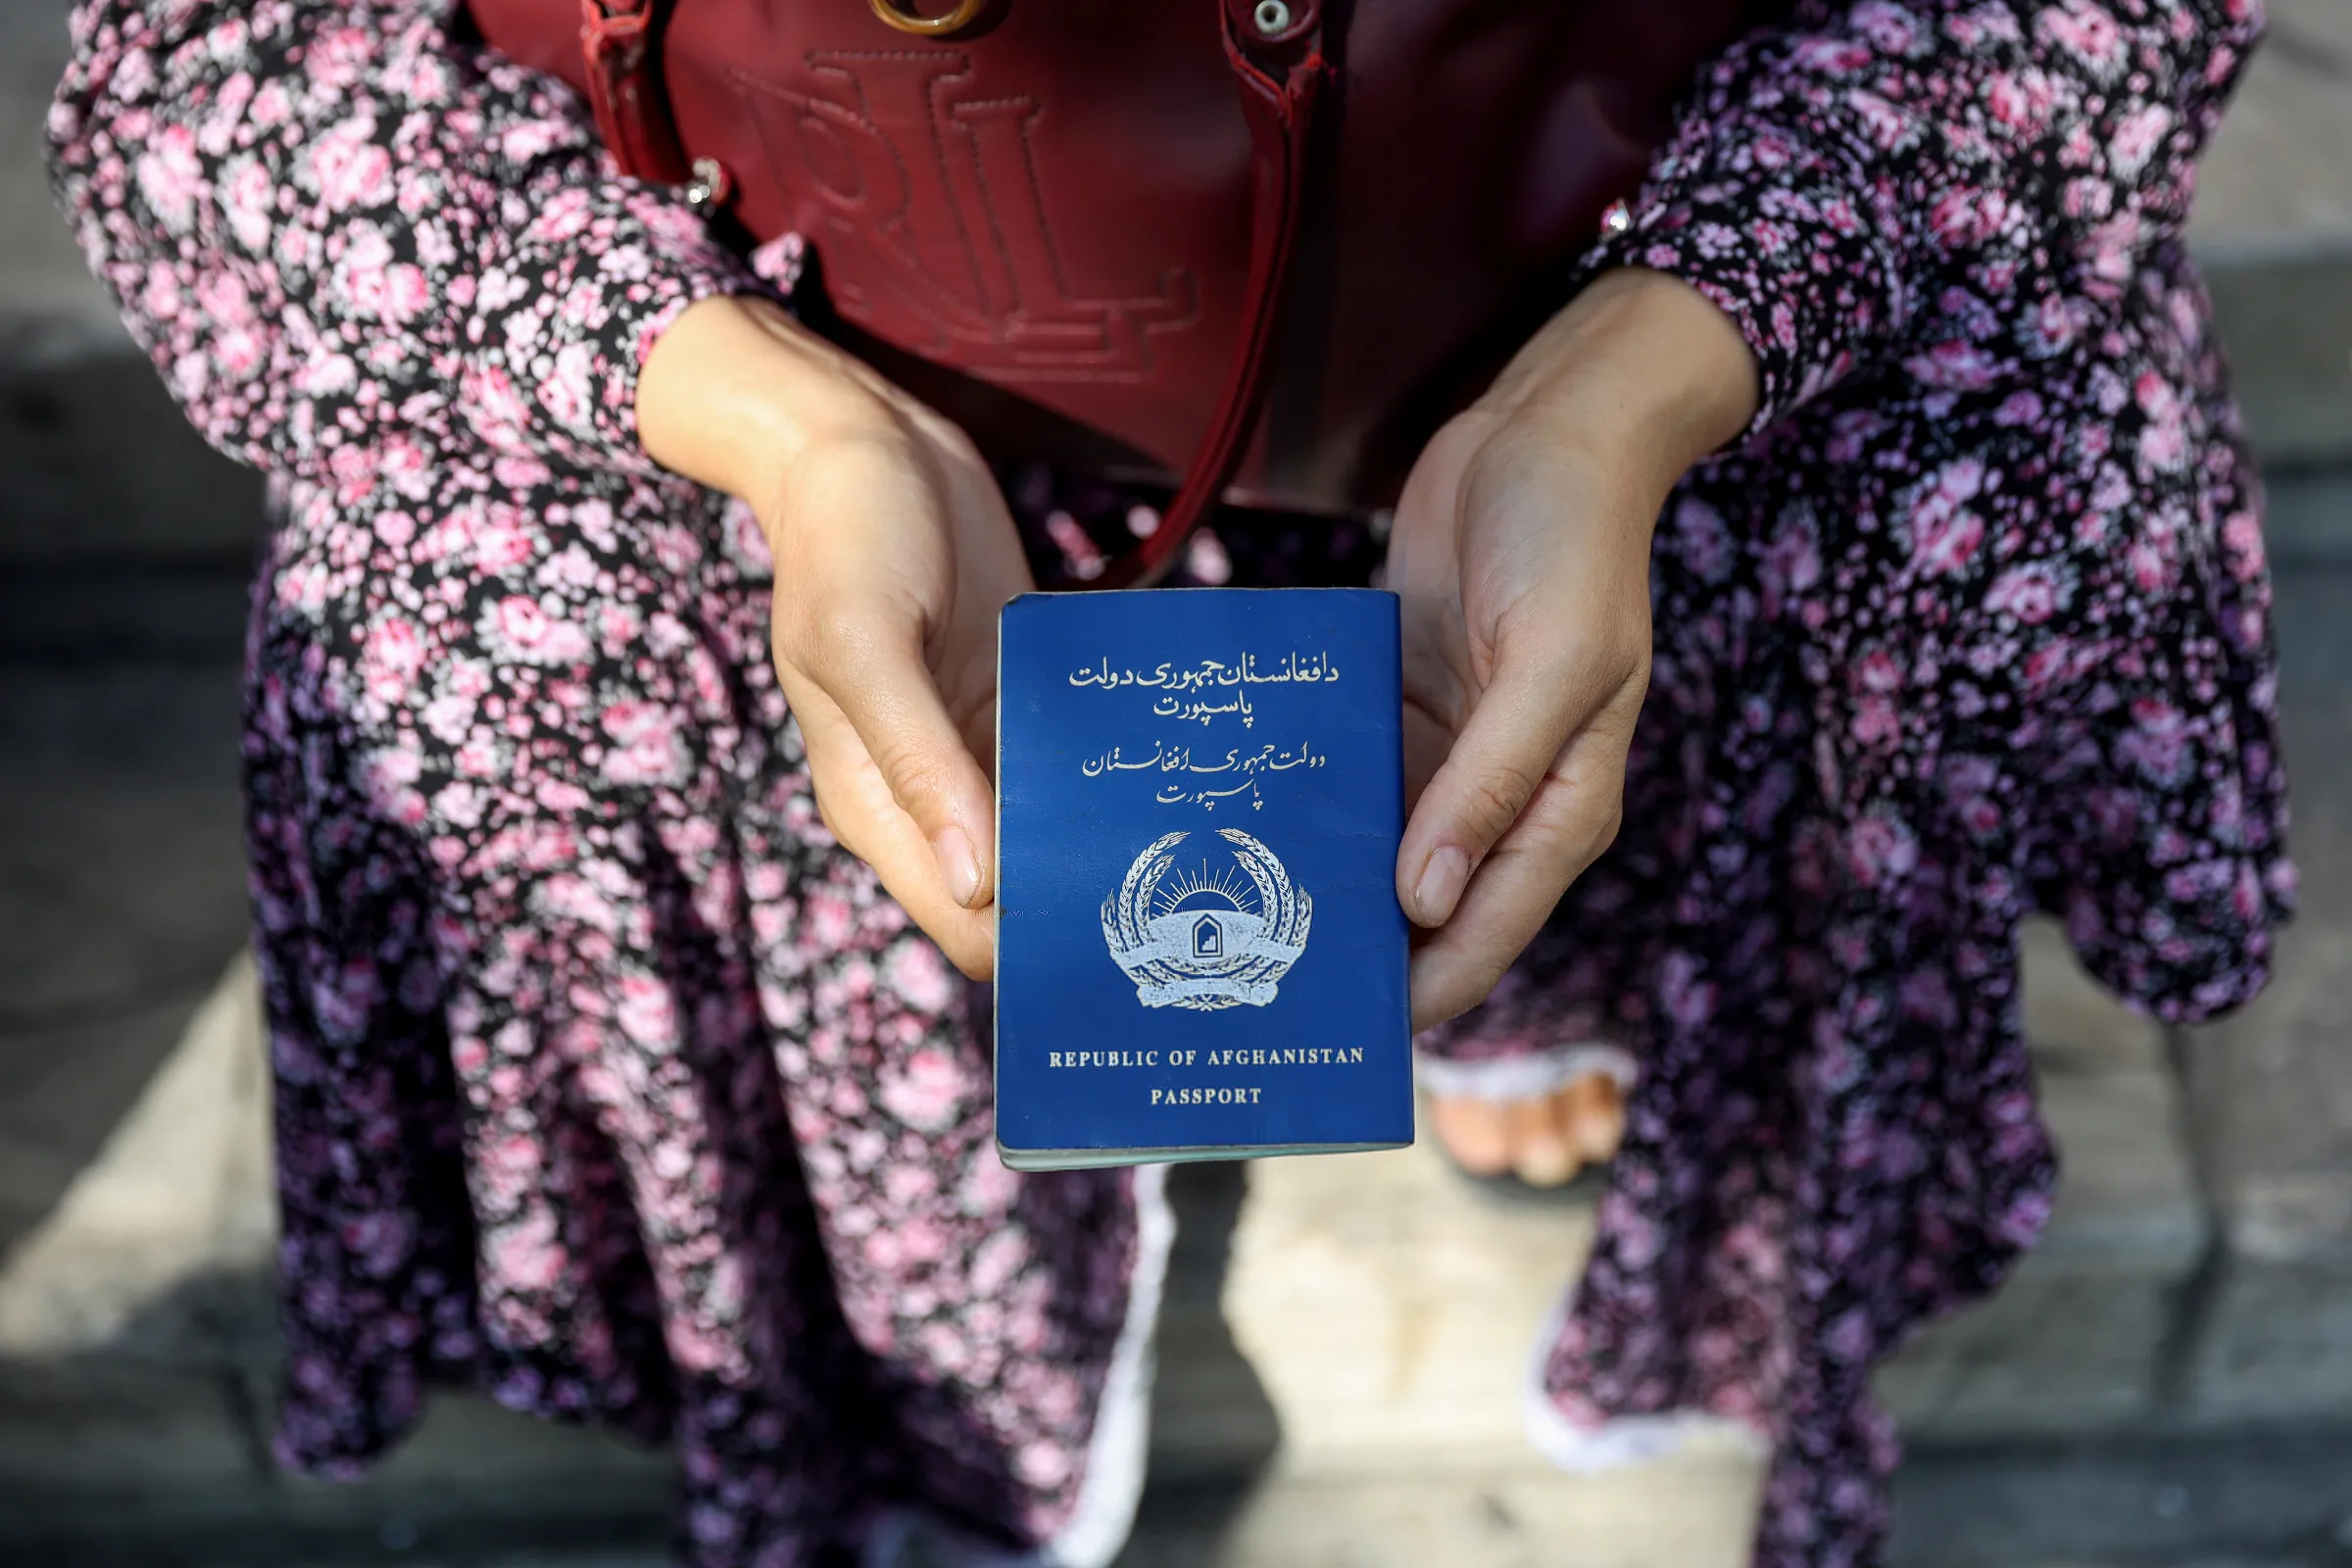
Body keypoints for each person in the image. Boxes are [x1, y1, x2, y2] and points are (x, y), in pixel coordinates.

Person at [48, 0, 2285, 1563]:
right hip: (801, 320)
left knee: (1924, 503)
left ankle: (1515, 981)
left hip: (1568, 288)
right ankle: (935, 1222)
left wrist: (1633, 379)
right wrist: (775, 422)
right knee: (506, 613)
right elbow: (202, 72)